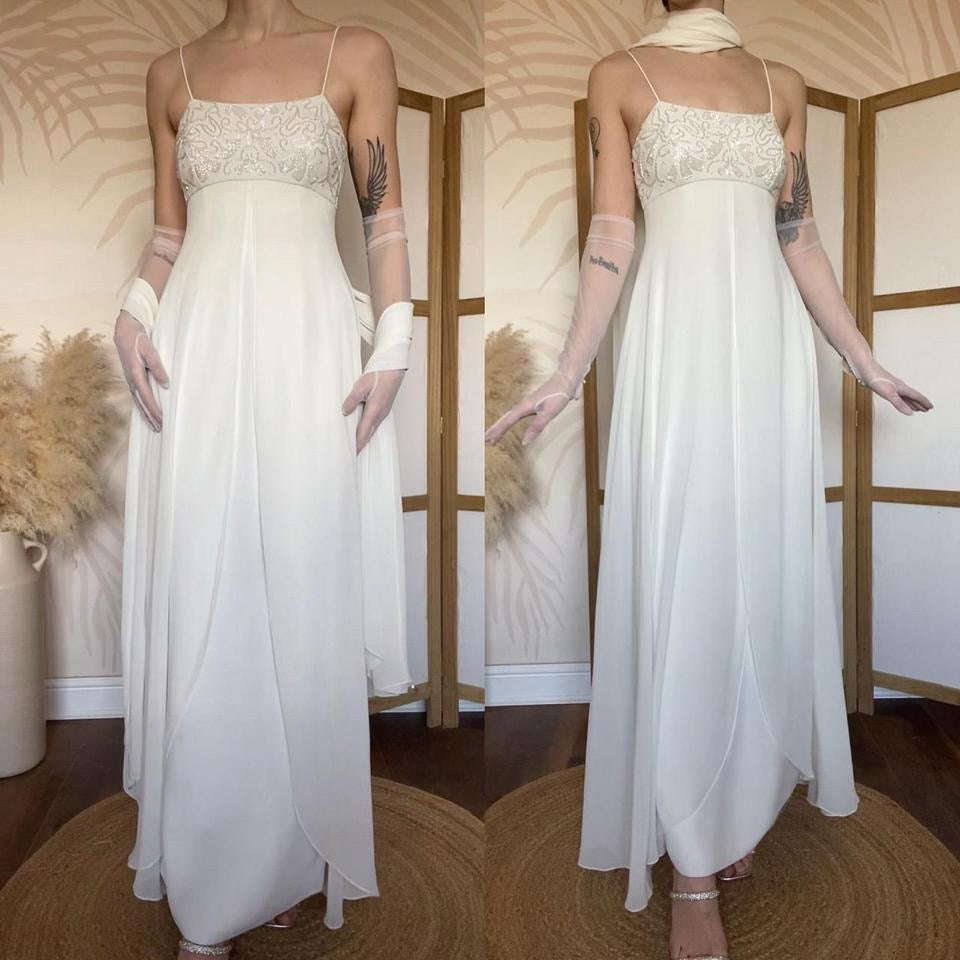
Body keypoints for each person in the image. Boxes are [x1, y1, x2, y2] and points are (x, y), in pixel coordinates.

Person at [484, 2, 932, 959]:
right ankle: (690, 855)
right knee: (688, 579)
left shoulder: (783, 85)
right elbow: (613, 232)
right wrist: (568, 373)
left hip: (769, 356)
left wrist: (860, 357)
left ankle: (737, 792)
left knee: (757, 572)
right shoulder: (619, 74)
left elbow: (798, 235)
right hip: (676, 352)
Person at [112, 2, 414, 956]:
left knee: (298, 586)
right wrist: (132, 311)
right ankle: (210, 883)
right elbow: (169, 235)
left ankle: (284, 852)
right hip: (195, 350)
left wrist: (396, 344)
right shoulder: (170, 72)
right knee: (211, 593)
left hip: (307, 350)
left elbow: (383, 219)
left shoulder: (357, 52)